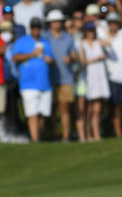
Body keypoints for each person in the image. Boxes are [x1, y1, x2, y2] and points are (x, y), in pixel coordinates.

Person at [11, 17, 53, 142]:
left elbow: (51, 57)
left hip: (45, 83)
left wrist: (50, 60)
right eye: (34, 27)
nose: (36, 30)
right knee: (32, 113)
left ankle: (37, 137)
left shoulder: (45, 42)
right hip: (28, 83)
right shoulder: (22, 41)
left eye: (38, 27)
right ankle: (35, 140)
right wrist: (32, 54)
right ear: (31, 28)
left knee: (43, 114)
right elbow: (15, 57)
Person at [42, 9, 77, 141]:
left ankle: (66, 136)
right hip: (49, 77)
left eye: (58, 21)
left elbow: (74, 55)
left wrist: (71, 58)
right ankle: (54, 134)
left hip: (65, 77)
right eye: (54, 21)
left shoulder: (68, 37)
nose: (56, 23)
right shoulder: (44, 37)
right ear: (50, 23)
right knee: (52, 108)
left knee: (64, 107)